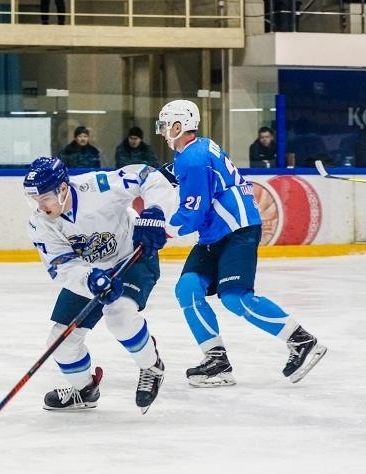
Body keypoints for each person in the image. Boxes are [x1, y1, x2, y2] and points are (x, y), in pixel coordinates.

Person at [155, 99, 327, 387]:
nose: (161, 131)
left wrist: (161, 231)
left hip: (236, 229)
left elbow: (193, 213)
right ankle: (217, 361)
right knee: (188, 289)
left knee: (235, 297)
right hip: (215, 233)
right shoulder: (198, 148)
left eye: (164, 125)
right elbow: (182, 173)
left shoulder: (194, 158)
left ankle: (301, 341)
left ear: (178, 126)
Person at [23, 156, 177, 413]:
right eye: (34, 200)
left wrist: (156, 213)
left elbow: (147, 175)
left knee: (119, 315)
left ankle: (151, 366)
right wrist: (89, 280)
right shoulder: (41, 223)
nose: (41, 206)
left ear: (62, 189)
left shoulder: (98, 186)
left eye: (45, 198)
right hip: (91, 273)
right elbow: (61, 267)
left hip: (132, 257)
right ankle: (84, 391)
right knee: (60, 344)